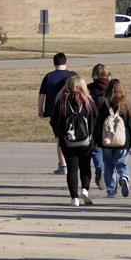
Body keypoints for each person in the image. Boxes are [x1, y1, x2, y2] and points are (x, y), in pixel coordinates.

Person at [51, 74, 96, 206]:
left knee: (72, 169)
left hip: (68, 141)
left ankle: (74, 198)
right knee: (85, 166)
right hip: (85, 141)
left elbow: (55, 121)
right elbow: (95, 119)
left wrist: (59, 135)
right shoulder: (88, 102)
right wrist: (92, 136)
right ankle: (85, 189)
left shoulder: (62, 102)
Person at [95, 79, 131, 197]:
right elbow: (129, 125)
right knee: (121, 163)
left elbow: (99, 124)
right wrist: (129, 141)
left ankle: (111, 190)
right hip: (122, 141)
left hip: (106, 141)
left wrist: (98, 140)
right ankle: (123, 177)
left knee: (109, 166)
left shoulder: (103, 104)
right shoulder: (125, 104)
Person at [38, 53, 76, 175]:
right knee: (73, 135)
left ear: (54, 63)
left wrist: (40, 110)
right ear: (66, 62)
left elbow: (42, 95)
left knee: (60, 138)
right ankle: (74, 162)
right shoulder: (73, 75)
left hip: (55, 112)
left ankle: (62, 164)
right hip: (72, 112)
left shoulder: (49, 77)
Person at [87, 64, 110, 189]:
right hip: (110, 123)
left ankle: (100, 168)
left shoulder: (90, 88)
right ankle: (109, 173)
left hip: (94, 123)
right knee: (110, 149)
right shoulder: (112, 87)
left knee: (96, 149)